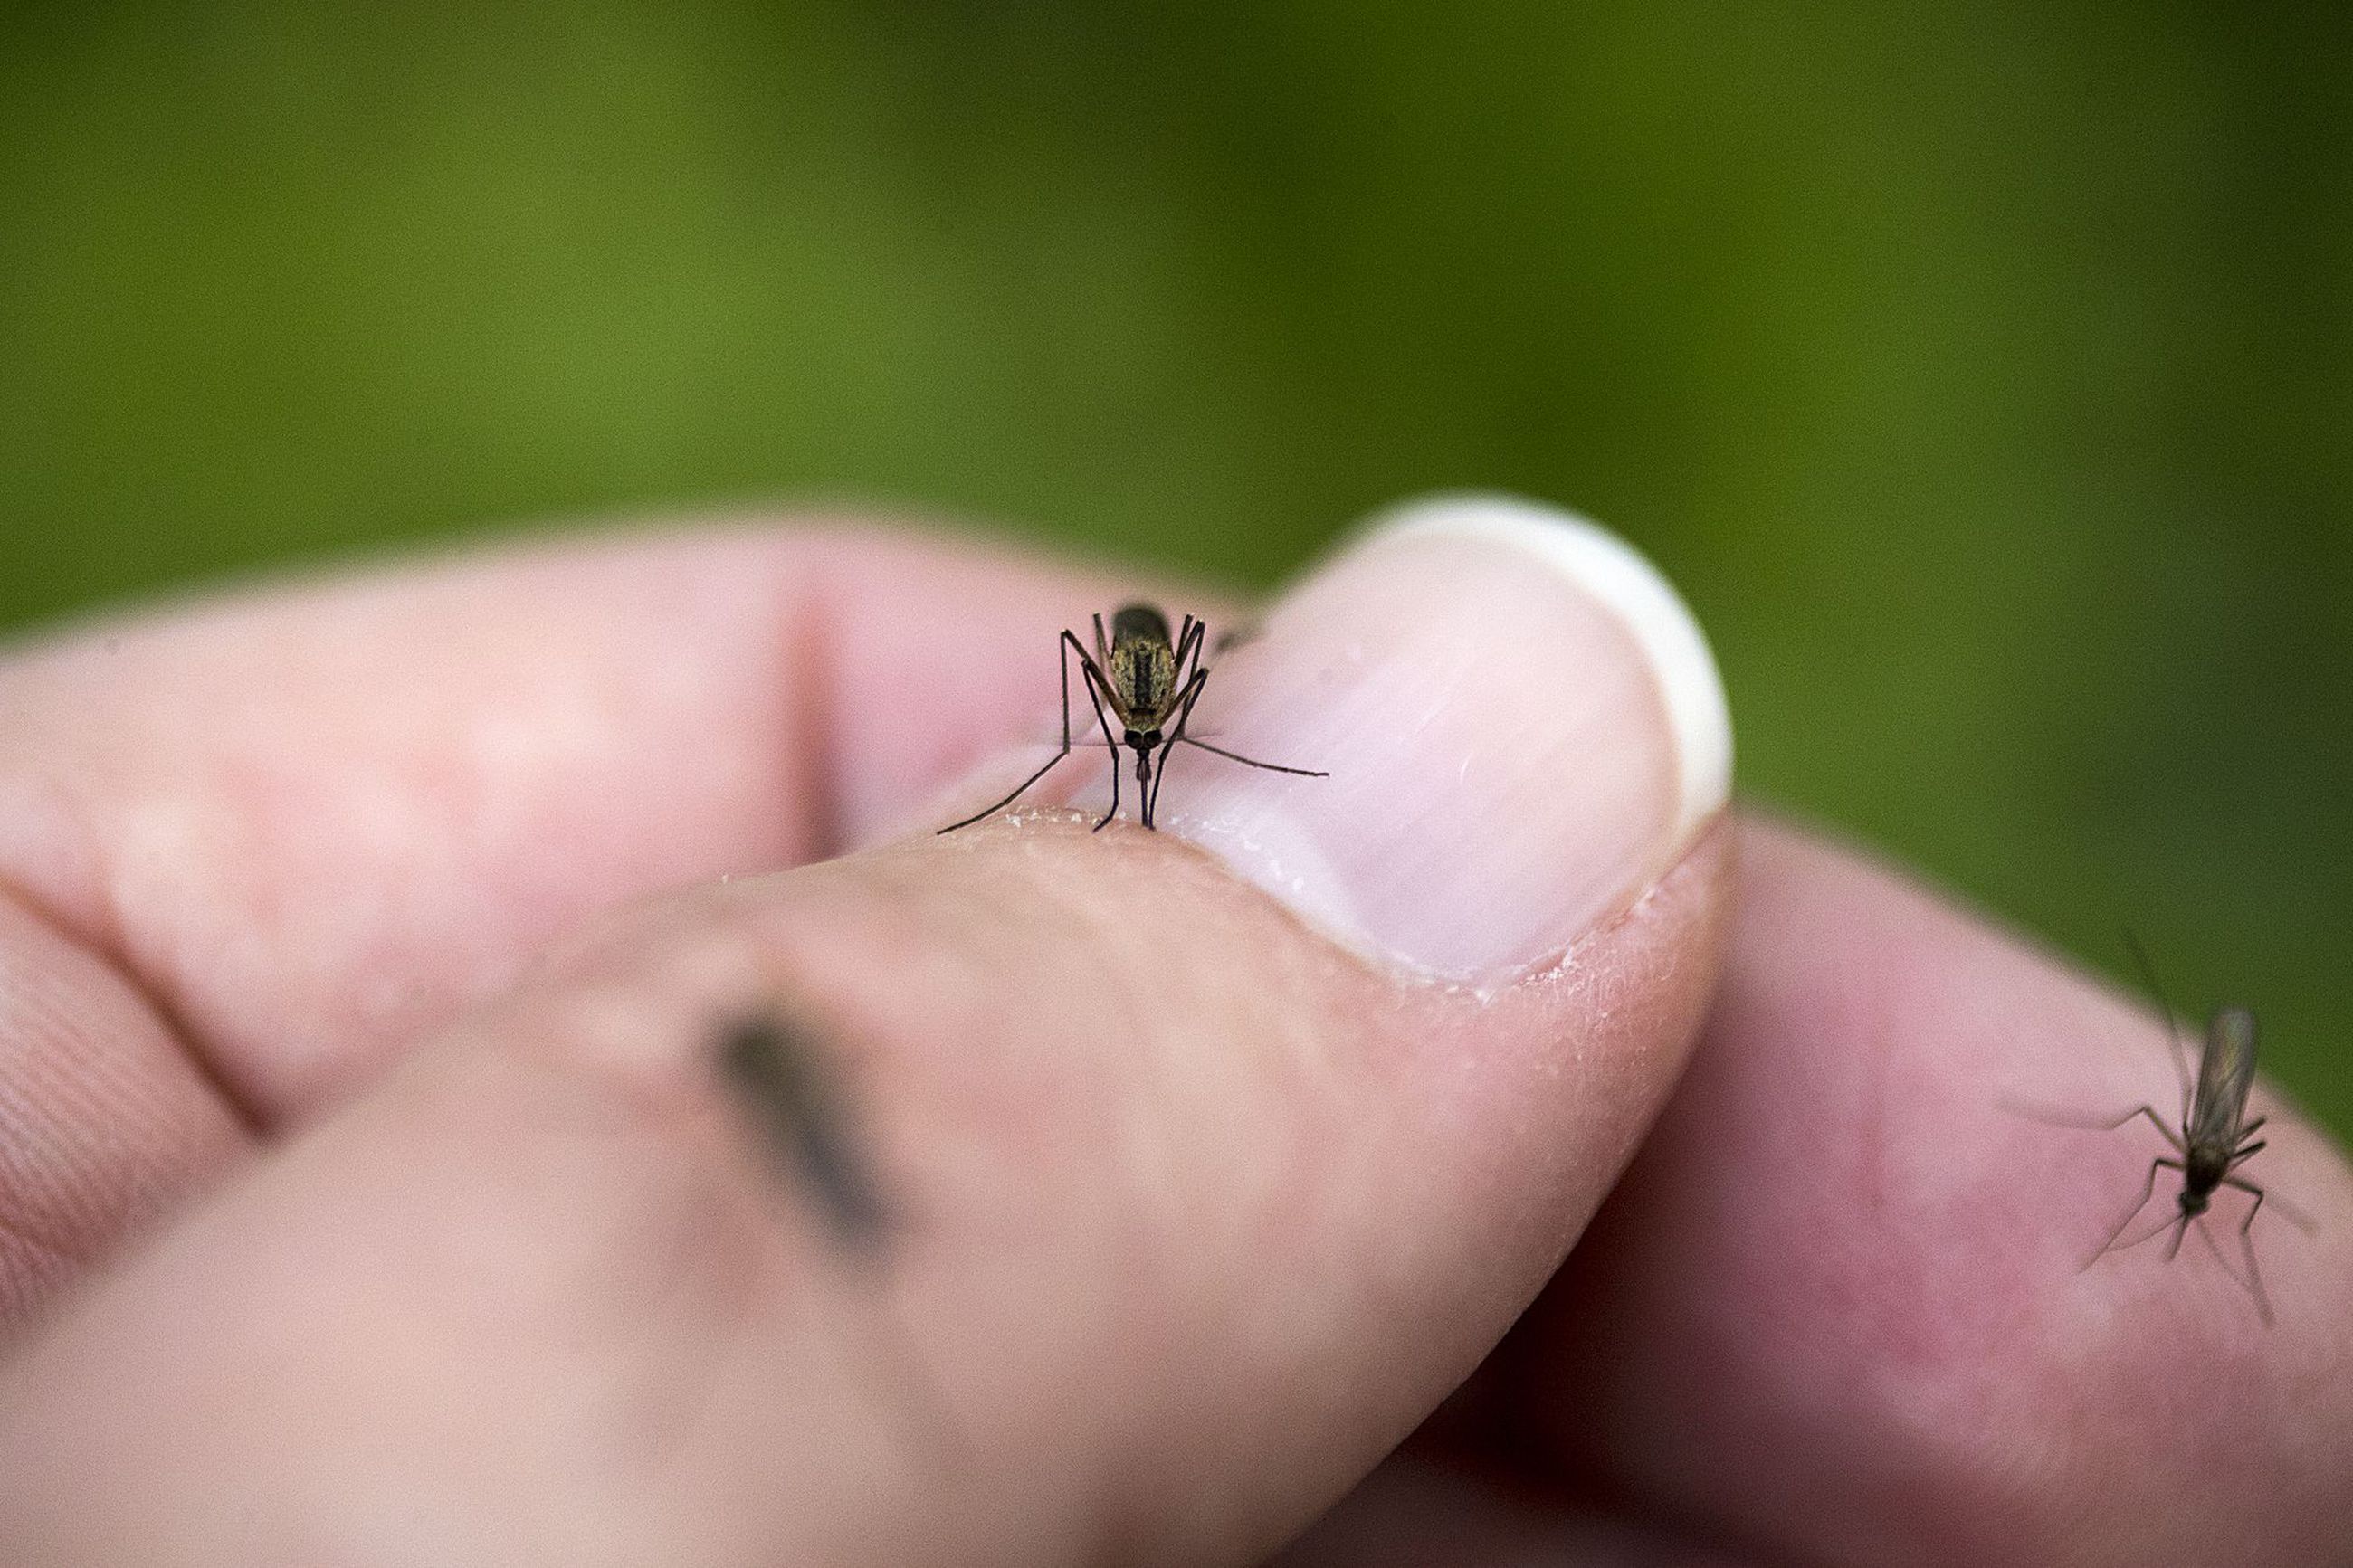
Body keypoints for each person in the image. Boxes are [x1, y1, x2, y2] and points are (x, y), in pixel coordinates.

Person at [0, 495, 2340, 1564]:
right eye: (1127, 727)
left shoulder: (1164, 705)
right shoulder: (1116, 715)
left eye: (1137, 731)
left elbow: (1160, 718)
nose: (1133, 727)